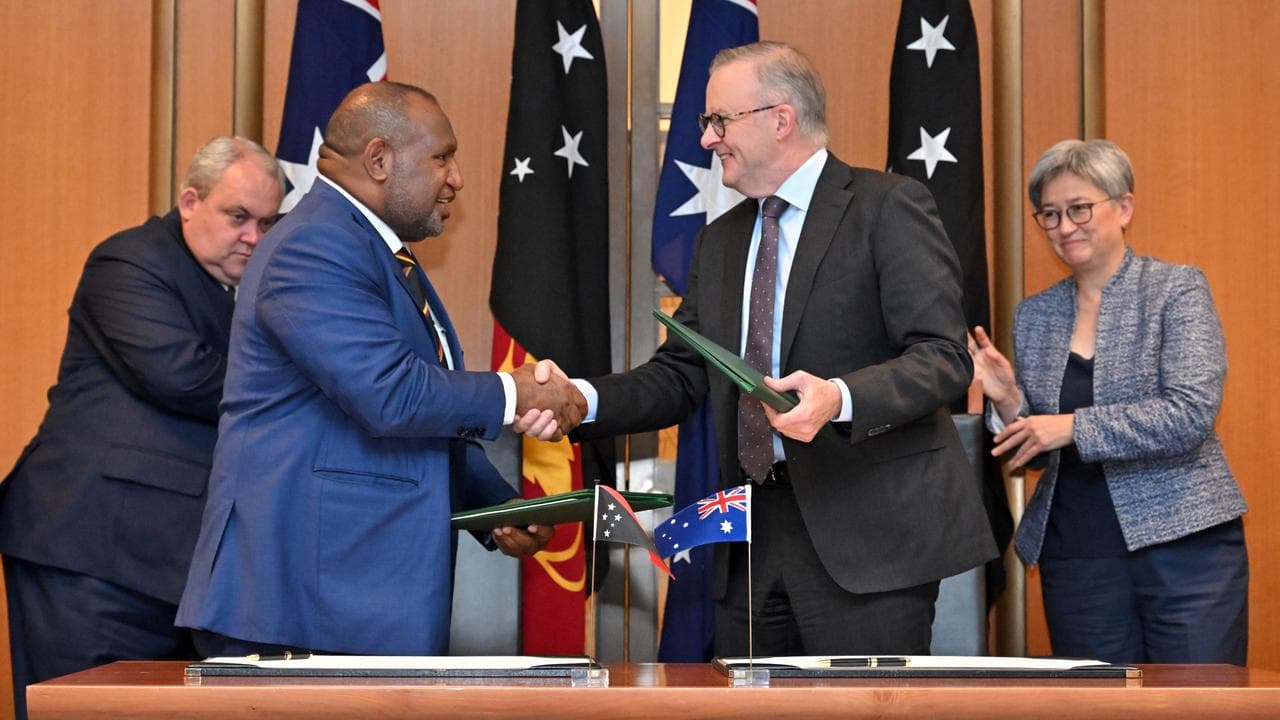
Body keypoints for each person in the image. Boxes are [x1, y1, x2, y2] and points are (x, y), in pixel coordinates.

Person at [554, 42, 996, 656]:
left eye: (718, 121)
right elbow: (683, 374)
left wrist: (837, 398)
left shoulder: (887, 207)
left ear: (780, 119)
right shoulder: (720, 241)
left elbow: (944, 358)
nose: (707, 139)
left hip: (868, 539)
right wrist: (580, 398)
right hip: (751, 540)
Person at [175, 81, 584, 658]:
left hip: (350, 595)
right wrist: (513, 392)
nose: (457, 178)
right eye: (442, 156)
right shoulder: (315, 245)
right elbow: (389, 394)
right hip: (294, 601)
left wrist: (493, 510)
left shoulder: (375, 250)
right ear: (379, 159)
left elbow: (405, 420)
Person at [0, 137, 284, 719]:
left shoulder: (244, 295)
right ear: (188, 201)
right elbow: (182, 377)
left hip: (180, 570)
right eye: (239, 217)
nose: (255, 238)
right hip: (94, 550)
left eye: (268, 222)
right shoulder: (130, 261)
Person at [970, 139, 1249, 664]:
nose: (1064, 226)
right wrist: (1008, 400)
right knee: (1099, 704)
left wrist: (1073, 426)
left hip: (1185, 547)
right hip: (1077, 555)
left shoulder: (1176, 290)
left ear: (1123, 207)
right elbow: (1034, 446)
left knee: (1198, 704)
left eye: (1079, 208)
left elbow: (1189, 413)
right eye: (1049, 215)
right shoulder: (1035, 316)